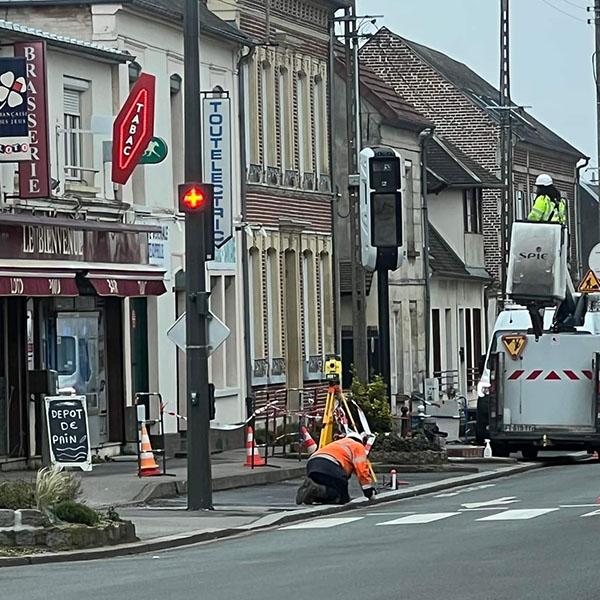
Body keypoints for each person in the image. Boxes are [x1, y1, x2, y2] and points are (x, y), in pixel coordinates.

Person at [295, 431, 377, 505]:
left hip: (313, 463)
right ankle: (314, 490)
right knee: (342, 497)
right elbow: (362, 471)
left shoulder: (338, 443)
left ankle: (311, 494)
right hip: (330, 465)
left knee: (329, 488)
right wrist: (368, 491)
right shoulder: (358, 446)